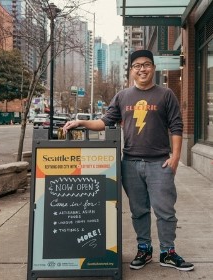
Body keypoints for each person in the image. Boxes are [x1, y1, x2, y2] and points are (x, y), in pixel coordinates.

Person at [62, 49, 192, 271]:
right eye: (137, 65)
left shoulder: (165, 94)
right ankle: (144, 249)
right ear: (131, 70)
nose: (142, 69)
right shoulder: (123, 97)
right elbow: (104, 121)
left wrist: (176, 158)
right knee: (138, 210)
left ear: (153, 67)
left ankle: (168, 252)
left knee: (165, 211)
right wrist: (80, 123)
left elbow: (176, 126)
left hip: (159, 162)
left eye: (147, 64)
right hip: (130, 163)